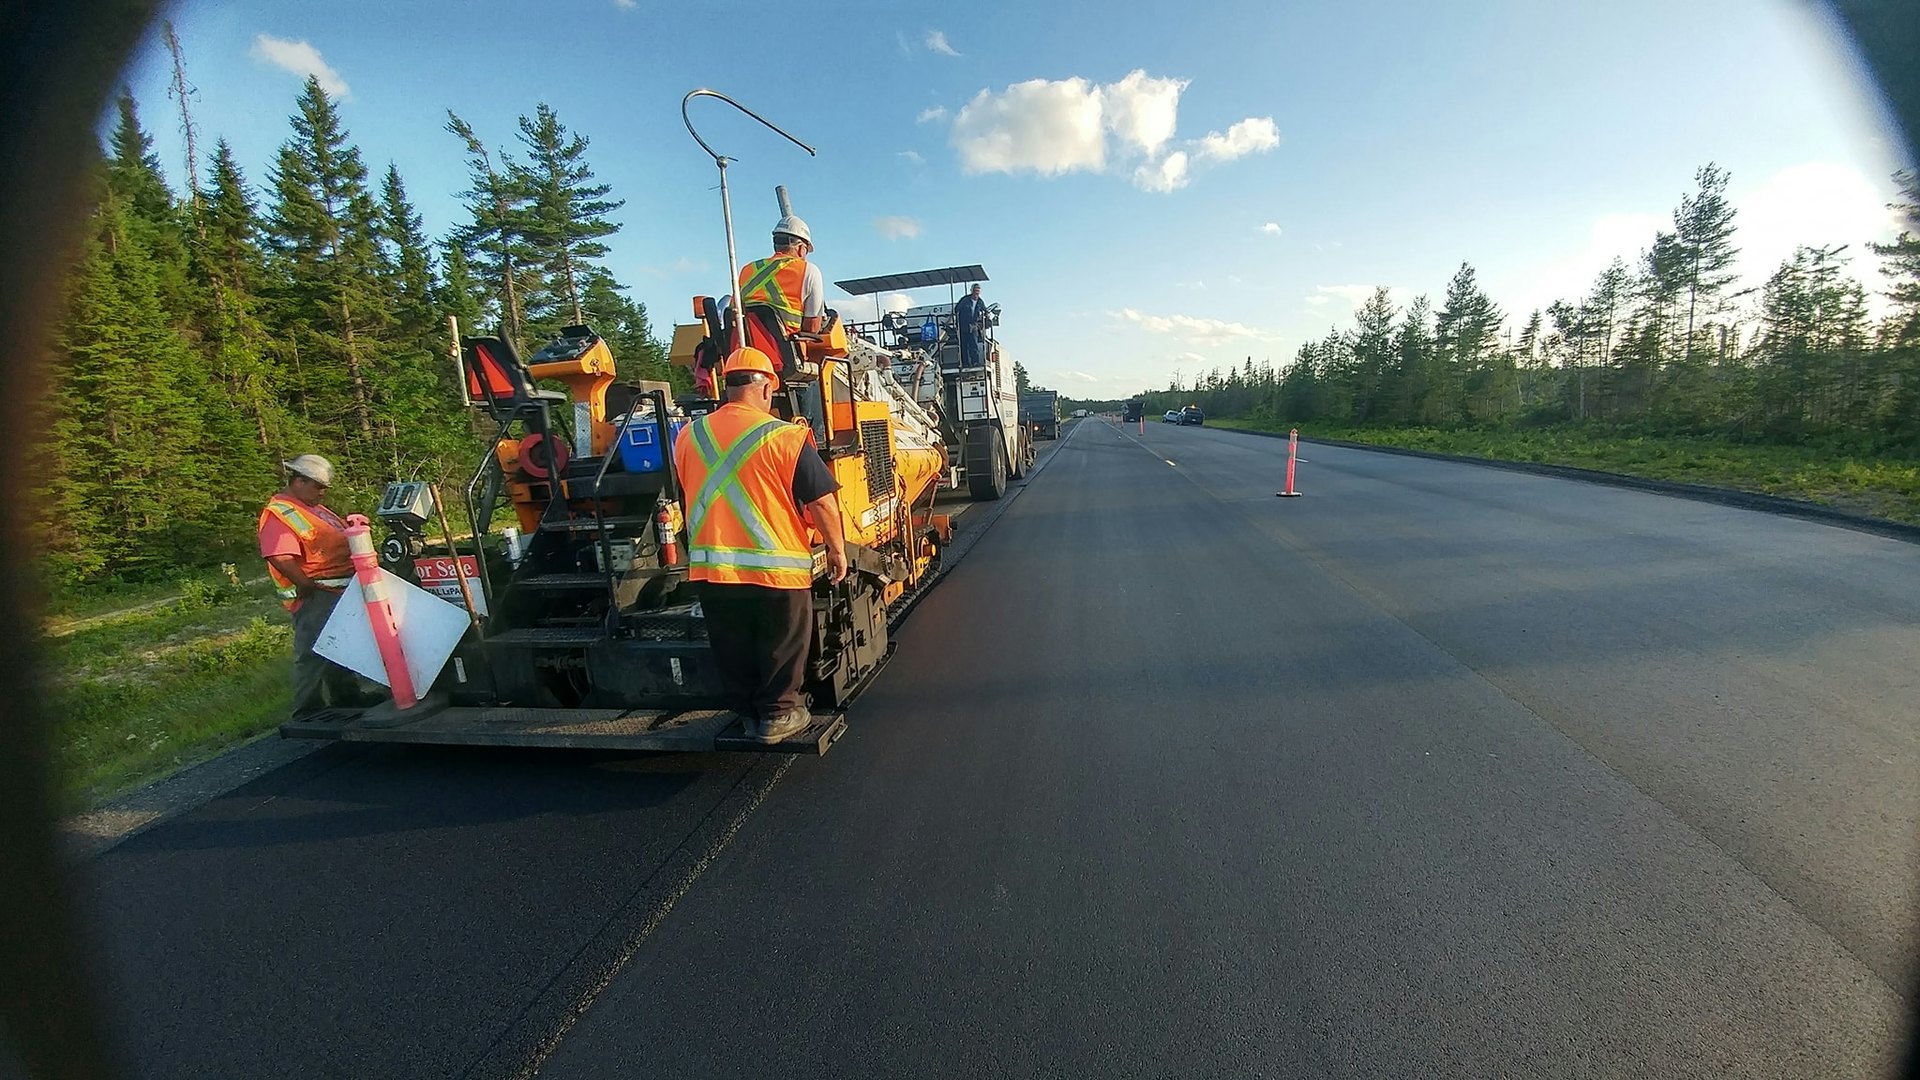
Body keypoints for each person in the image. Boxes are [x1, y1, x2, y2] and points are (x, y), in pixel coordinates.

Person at [674, 347, 848, 744]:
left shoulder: (689, 435)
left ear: (727, 386)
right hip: (775, 567)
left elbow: (686, 491)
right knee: (781, 641)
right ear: (767, 386)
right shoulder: (783, 435)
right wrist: (837, 550)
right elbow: (821, 500)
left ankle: (748, 716)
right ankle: (778, 714)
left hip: (712, 567)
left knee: (732, 641)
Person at [257, 454, 360, 721]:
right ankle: (308, 708)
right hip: (316, 592)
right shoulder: (281, 514)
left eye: (324, 487)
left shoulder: (314, 508)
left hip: (337, 590)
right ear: (298, 481)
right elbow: (279, 556)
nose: (322, 492)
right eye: (317, 486)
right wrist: (304, 584)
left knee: (339, 645)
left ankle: (346, 697)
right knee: (313, 650)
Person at [738, 210, 825, 337]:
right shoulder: (809, 271)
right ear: (801, 248)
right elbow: (812, 327)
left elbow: (733, 313)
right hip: (785, 354)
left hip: (744, 351)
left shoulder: (747, 269)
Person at [954, 283, 988, 366]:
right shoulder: (965, 300)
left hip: (974, 325)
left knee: (974, 344)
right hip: (963, 325)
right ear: (972, 291)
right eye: (975, 291)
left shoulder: (980, 301)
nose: (976, 293)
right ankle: (965, 363)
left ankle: (975, 362)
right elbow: (956, 309)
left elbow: (985, 310)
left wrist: (987, 314)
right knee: (963, 345)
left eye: (978, 292)